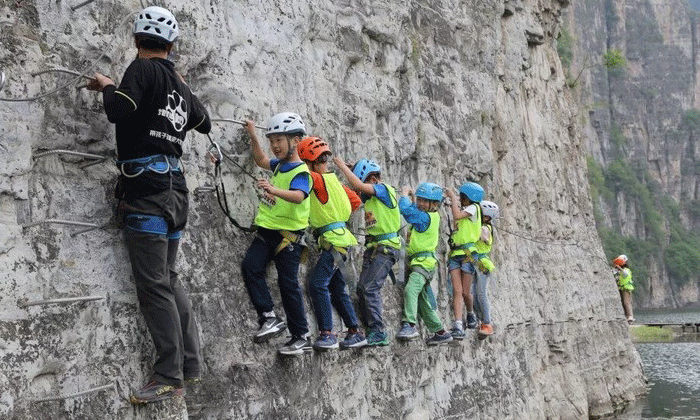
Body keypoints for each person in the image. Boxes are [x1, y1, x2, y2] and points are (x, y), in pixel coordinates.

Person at [86, 6, 211, 403]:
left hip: (147, 191)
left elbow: (118, 110)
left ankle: (168, 373)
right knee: (170, 278)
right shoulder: (176, 79)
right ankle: (190, 366)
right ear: (172, 45)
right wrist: (182, 88)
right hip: (176, 191)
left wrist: (107, 84)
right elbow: (202, 121)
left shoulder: (140, 69)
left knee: (155, 284)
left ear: (137, 40)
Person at [241, 112, 313, 356]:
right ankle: (269, 317)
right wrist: (253, 135)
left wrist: (273, 188)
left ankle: (301, 335)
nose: (275, 146)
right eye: (272, 141)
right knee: (251, 266)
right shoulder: (280, 165)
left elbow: (299, 196)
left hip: (288, 239)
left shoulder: (301, 172)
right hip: (268, 231)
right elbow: (261, 160)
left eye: (279, 140)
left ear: (295, 141)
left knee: (288, 283)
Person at [298, 136, 365, 350]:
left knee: (318, 284)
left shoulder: (317, 180)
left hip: (334, 242)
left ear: (309, 163)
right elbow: (355, 202)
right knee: (337, 288)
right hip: (342, 240)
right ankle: (355, 331)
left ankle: (327, 334)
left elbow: (300, 173)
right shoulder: (336, 184)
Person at [334, 157, 401, 347]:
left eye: (363, 181)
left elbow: (358, 186)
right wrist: (351, 170)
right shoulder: (371, 197)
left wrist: (342, 168)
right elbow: (355, 191)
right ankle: (370, 329)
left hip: (386, 248)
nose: (360, 187)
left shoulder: (384, 190)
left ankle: (378, 332)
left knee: (370, 288)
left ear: (371, 179)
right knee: (362, 288)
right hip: (374, 248)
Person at [396, 183, 453, 345]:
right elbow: (415, 210)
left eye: (425, 201)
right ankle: (440, 332)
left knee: (410, 290)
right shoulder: (431, 216)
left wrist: (404, 194)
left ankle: (409, 325)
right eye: (419, 199)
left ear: (434, 204)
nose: (420, 203)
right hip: (424, 263)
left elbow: (406, 211)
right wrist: (413, 198)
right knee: (422, 301)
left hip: (423, 263)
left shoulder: (425, 218)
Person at [444, 182, 484, 339]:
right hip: (455, 254)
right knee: (457, 291)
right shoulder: (467, 210)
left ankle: (470, 313)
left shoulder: (474, 209)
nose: (460, 200)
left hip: (468, 254)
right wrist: (452, 202)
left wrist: (452, 197)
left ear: (469, 198)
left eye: (462, 197)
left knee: (466, 292)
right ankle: (458, 325)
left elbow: (457, 215)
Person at [472, 200, 499, 338]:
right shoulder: (482, 226)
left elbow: (478, 235)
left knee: (480, 293)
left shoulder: (485, 228)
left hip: (482, 265)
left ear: (487, 217)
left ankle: (487, 323)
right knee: (473, 294)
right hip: (474, 262)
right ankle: (480, 320)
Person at [613, 254, 634, 323]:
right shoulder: (619, 271)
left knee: (626, 302)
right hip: (621, 288)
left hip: (626, 289)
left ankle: (630, 316)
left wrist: (619, 268)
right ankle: (626, 317)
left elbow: (625, 274)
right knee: (623, 303)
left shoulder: (626, 270)